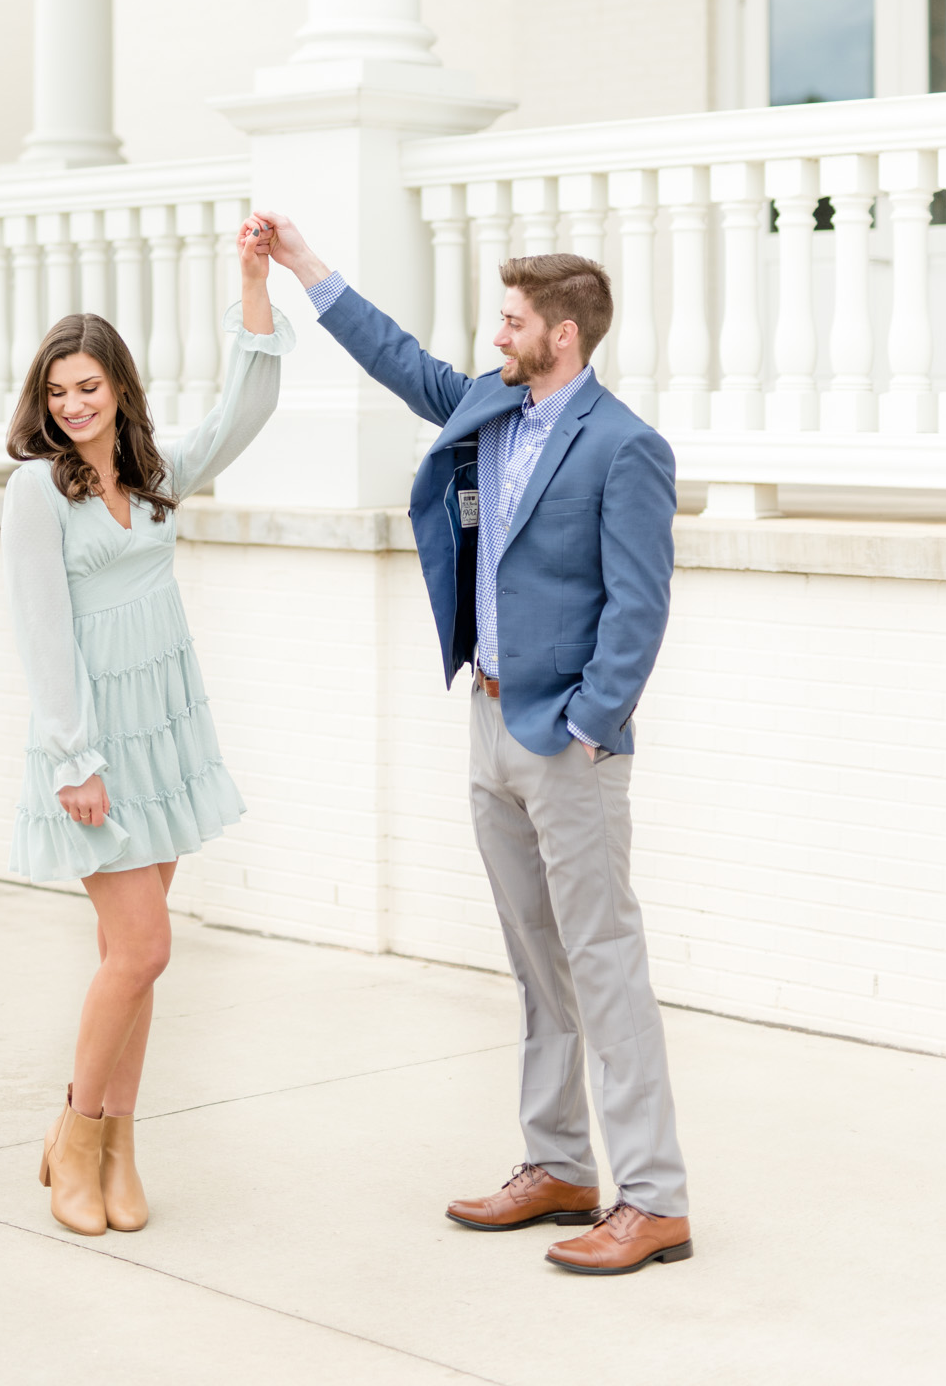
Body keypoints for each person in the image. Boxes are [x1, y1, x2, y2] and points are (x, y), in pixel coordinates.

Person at [255, 213, 691, 1278]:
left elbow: (638, 605)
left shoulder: (623, 444)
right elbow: (395, 355)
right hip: (486, 720)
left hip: (568, 743)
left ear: (563, 334)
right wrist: (305, 264)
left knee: (603, 962)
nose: (494, 334)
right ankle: (557, 1164)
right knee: (537, 964)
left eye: (510, 320)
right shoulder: (491, 404)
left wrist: (590, 723)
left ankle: (653, 1196)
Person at [1, 217, 293, 1238]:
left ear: (118, 386)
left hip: (165, 730)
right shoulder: (35, 490)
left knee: (141, 958)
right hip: (97, 746)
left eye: (89, 385)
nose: (74, 404)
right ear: (42, 402)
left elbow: (247, 402)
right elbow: (41, 629)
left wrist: (251, 282)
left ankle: (120, 1144)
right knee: (141, 946)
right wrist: (71, 756)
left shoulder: (156, 474)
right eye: (57, 390)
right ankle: (74, 1134)